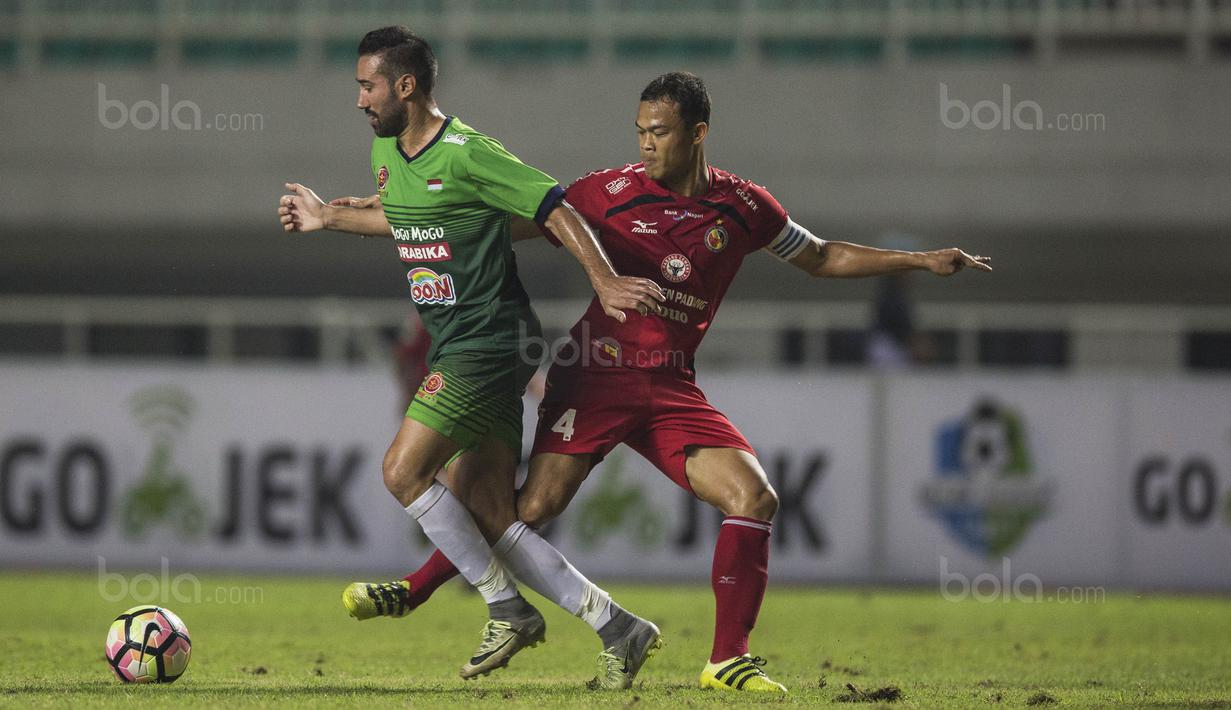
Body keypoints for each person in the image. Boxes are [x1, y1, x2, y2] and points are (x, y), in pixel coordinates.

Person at [329, 71, 992, 693]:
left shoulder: (744, 206)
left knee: (754, 498)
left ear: (698, 133)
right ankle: (417, 588)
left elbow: (820, 256)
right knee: (526, 511)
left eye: (660, 132)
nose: (646, 144)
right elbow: (501, 220)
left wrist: (918, 261)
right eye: (640, 131)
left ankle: (726, 660)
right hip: (594, 377)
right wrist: (395, 210)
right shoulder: (606, 191)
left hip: (671, 388)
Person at [276, 26, 668, 686]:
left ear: (406, 86)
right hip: (459, 342)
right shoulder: (386, 150)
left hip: (490, 338)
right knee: (490, 510)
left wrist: (603, 280)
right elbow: (406, 217)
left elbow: (555, 205)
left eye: (368, 86)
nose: (359, 99)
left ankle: (506, 609)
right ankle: (617, 626)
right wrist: (327, 217)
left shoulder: (469, 152)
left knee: (403, 470)